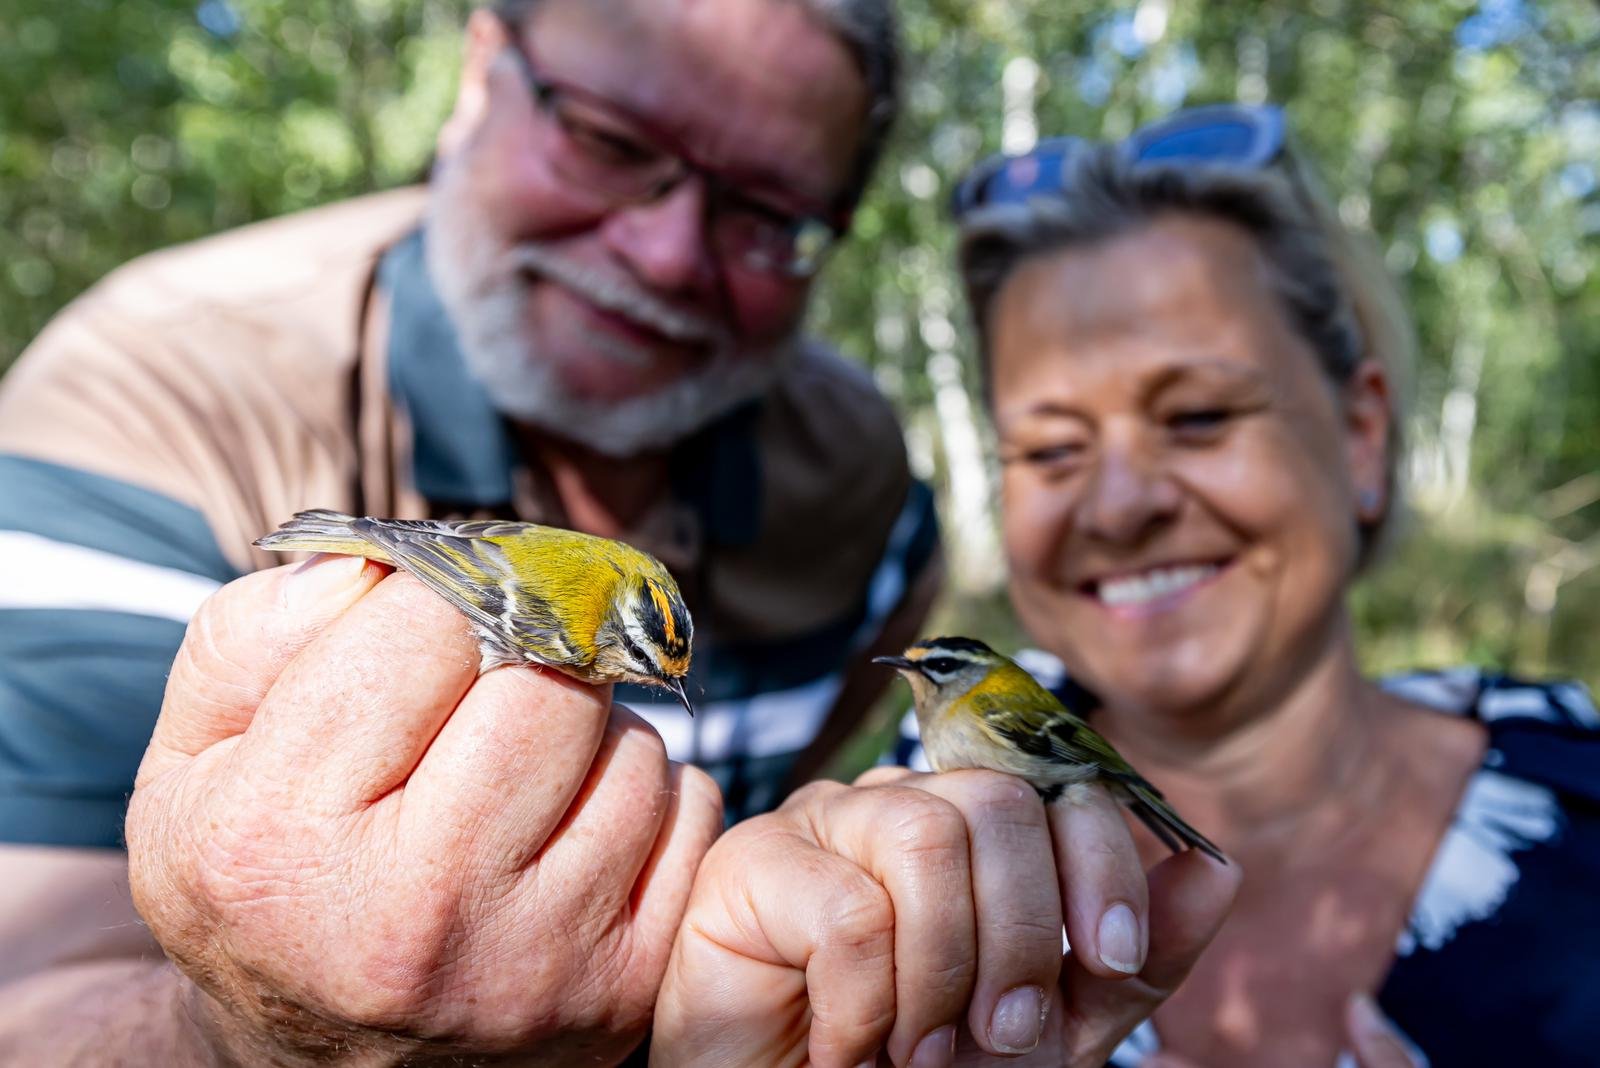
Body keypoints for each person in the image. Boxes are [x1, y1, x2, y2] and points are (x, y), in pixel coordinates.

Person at [0, 0, 941, 1061]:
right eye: (608, 141)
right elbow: (23, 994)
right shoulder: (154, 403)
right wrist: (255, 1031)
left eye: (766, 213)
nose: (668, 253)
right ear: (479, 69)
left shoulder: (870, 497)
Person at [926, 103, 1594, 1064]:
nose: (1119, 506)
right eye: (1052, 448)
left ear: (1362, 436)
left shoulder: (1579, 808)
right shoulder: (897, 842)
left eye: (1197, 416)